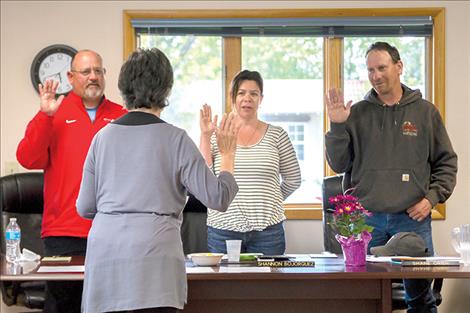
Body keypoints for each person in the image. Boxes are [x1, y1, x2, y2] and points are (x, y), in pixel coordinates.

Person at [76, 48, 239, 313]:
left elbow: (84, 207)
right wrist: (228, 155)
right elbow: (218, 197)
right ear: (166, 89)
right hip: (155, 259)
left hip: (105, 260)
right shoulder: (176, 139)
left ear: (123, 87)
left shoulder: (101, 139)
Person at [325, 41, 457, 313]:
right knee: (365, 299)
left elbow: (447, 163)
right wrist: (338, 125)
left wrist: (431, 199)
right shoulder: (357, 113)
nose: (375, 75)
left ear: (399, 67)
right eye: (370, 70)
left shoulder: (425, 112)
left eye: (381, 68)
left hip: (412, 221)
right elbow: (338, 164)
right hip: (367, 223)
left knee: (419, 300)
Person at [16, 49, 126, 312]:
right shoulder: (54, 112)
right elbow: (28, 158)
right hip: (63, 233)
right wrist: (45, 115)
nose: (93, 77)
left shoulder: (121, 115)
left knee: (110, 305)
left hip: (111, 230)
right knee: (64, 305)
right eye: (86, 72)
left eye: (98, 71)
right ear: (71, 76)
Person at [199, 70, 301, 255]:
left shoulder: (277, 135)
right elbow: (204, 179)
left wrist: (270, 200)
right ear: (233, 98)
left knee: (267, 284)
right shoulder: (217, 135)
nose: (248, 98)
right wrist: (205, 136)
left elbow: (293, 179)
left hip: (268, 233)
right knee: (224, 285)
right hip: (223, 231)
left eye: (254, 93)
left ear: (261, 98)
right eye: (241, 93)